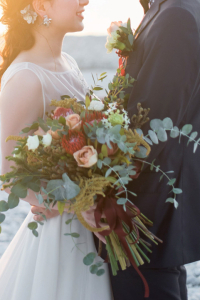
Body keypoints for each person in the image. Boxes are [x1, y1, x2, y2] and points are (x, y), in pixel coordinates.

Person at [30, 0, 200, 299]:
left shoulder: (175, 17)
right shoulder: (166, 10)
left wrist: (85, 193)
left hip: (144, 214)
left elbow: (150, 129)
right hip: (144, 213)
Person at [0, 0, 113, 299]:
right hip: (62, 234)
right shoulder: (26, 76)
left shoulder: (68, 63)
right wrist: (75, 205)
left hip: (93, 222)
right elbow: (7, 173)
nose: (85, 1)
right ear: (41, 7)